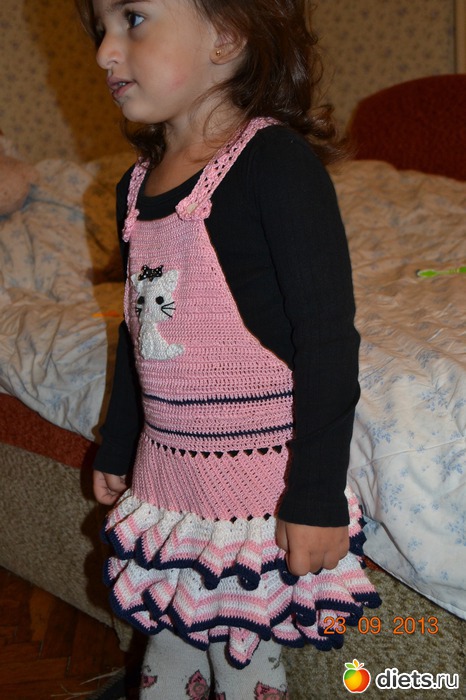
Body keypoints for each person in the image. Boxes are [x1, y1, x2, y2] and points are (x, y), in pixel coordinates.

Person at [76, 1, 380, 697]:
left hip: (254, 488)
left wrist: (315, 496)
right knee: (166, 641)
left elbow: (327, 338)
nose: (104, 52)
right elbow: (139, 330)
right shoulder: (133, 186)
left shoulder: (275, 164)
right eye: (101, 29)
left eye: (133, 18)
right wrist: (118, 443)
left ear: (227, 34)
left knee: (243, 661)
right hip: (168, 476)